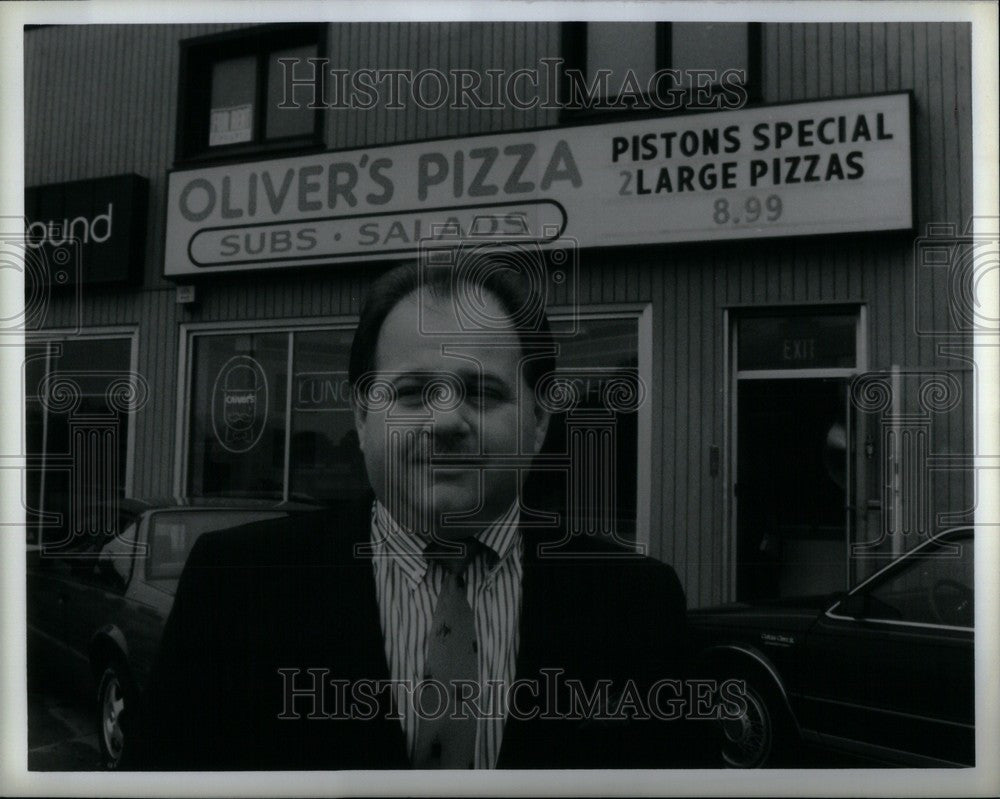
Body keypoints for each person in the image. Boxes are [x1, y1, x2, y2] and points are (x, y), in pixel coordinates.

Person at [134, 261, 714, 769]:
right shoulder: (237, 586)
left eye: (483, 392)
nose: (445, 422)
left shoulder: (638, 605)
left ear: (539, 422)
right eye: (411, 392)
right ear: (362, 420)